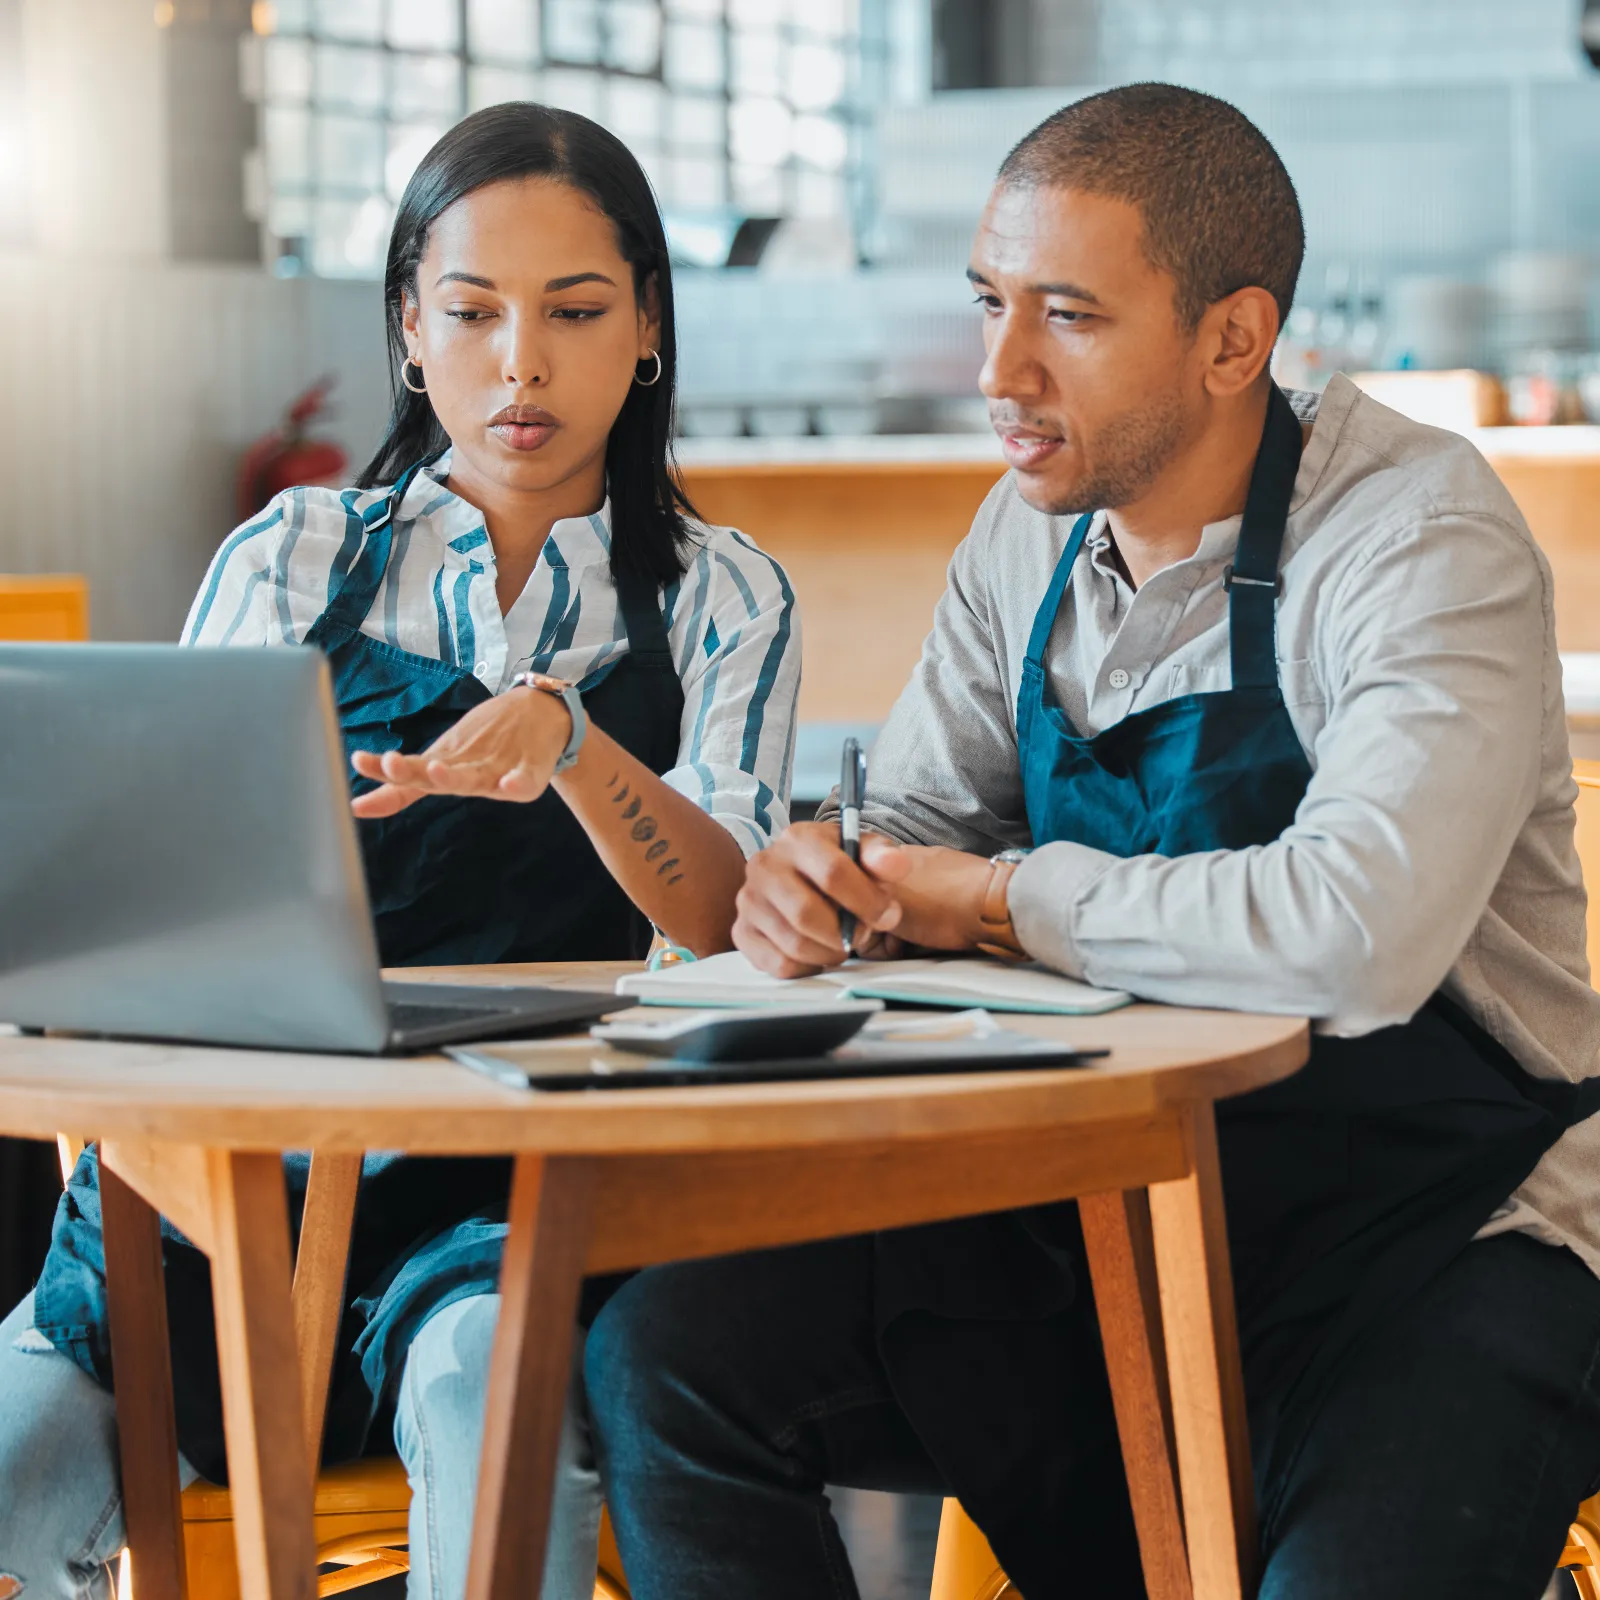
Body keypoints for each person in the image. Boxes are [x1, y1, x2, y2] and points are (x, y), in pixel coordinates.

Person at [583, 84, 1600, 1600]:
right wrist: (828, 878)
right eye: (990, 302)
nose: (1000, 370)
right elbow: (915, 824)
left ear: (1234, 339)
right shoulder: (1028, 535)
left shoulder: (1412, 537)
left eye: (1068, 315)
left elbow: (1355, 933)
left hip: (1441, 1248)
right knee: (670, 1353)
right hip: (1112, 1216)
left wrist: (993, 902)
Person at [0, 103, 798, 1600]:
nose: (522, 364)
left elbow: (728, 913)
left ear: (647, 333)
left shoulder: (721, 597)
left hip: (503, 1213)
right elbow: (150, 895)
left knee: (490, 1400)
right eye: (473, 312)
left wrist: (572, 745)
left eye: (575, 311)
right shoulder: (290, 558)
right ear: (410, 335)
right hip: (216, 1206)